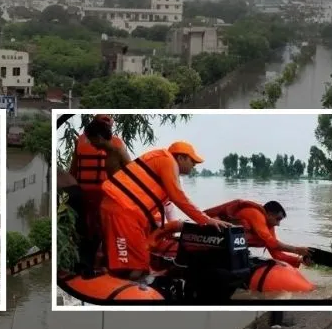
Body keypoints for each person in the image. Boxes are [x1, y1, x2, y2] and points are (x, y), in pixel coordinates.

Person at [99, 141, 231, 278]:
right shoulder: (168, 161)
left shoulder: (164, 164)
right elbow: (178, 197)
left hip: (124, 210)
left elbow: (169, 203)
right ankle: (130, 290)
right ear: (180, 158)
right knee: (137, 265)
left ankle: (121, 280)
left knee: (135, 260)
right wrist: (205, 220)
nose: (194, 165)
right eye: (192, 161)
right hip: (122, 210)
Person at [70, 115, 127, 264]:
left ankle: (88, 260)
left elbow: (73, 170)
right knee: (103, 228)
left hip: (87, 192)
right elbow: (129, 171)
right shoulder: (117, 144)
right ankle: (103, 259)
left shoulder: (80, 141)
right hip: (103, 194)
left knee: (88, 228)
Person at [204, 199, 311, 267]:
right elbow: (270, 241)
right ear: (268, 214)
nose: (278, 224)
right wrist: (296, 249)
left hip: (233, 250)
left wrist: (299, 260)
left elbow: (276, 254)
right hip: (214, 242)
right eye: (277, 219)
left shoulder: (269, 226)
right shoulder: (254, 213)